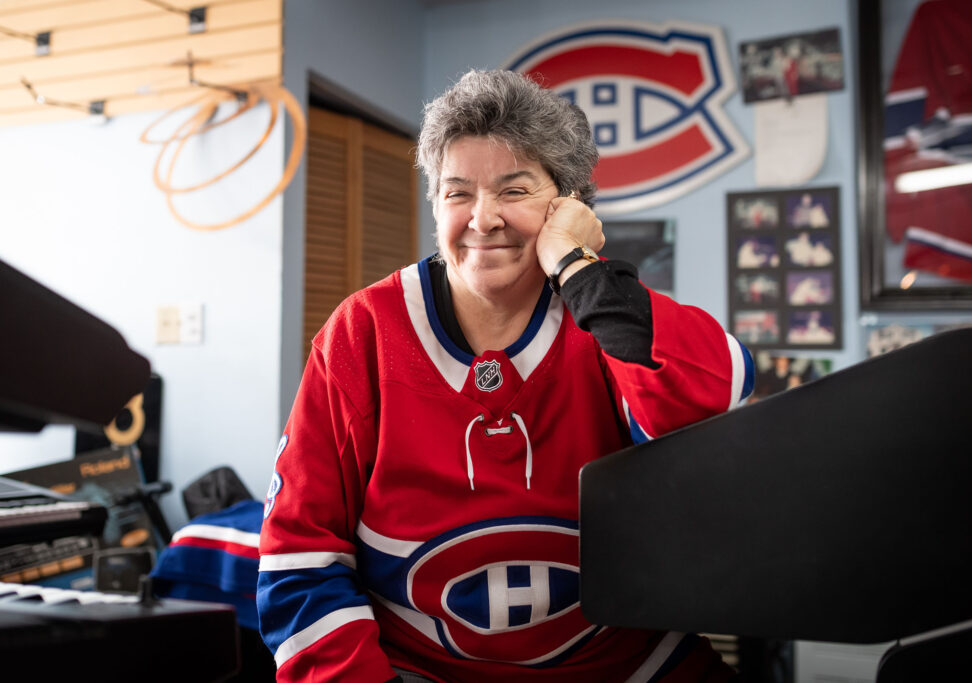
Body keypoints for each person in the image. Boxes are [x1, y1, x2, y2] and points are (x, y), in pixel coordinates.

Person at [256, 69, 754, 682]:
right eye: (457, 192)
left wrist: (578, 265)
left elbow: (713, 403)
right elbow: (300, 559)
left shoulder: (606, 317)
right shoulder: (362, 331)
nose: (482, 218)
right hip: (417, 668)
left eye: (514, 191)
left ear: (567, 204)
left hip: (625, 664)